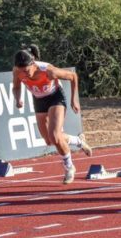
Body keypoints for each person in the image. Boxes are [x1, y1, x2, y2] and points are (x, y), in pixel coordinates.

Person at [12, 44, 93, 184]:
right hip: (39, 99)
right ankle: (78, 141)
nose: (25, 74)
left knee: (55, 135)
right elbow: (16, 87)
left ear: (33, 64)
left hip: (55, 97)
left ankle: (69, 167)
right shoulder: (17, 71)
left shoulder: (48, 71)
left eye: (27, 71)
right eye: (22, 72)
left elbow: (73, 76)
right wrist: (18, 98)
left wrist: (74, 100)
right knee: (49, 140)